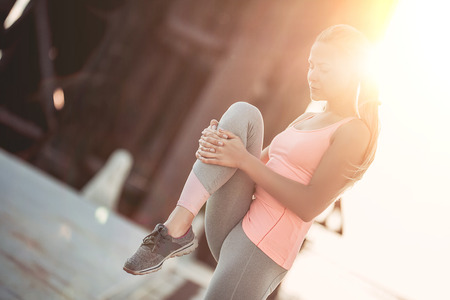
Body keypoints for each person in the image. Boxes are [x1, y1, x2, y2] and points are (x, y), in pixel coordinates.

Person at [123, 24, 380, 299]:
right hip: (238, 219)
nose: (312, 76)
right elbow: (256, 164)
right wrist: (219, 145)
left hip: (263, 248)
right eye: (311, 65)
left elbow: (309, 206)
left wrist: (241, 158)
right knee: (243, 113)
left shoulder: (354, 131)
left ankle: (174, 234)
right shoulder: (308, 118)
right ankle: (175, 230)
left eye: (324, 69)